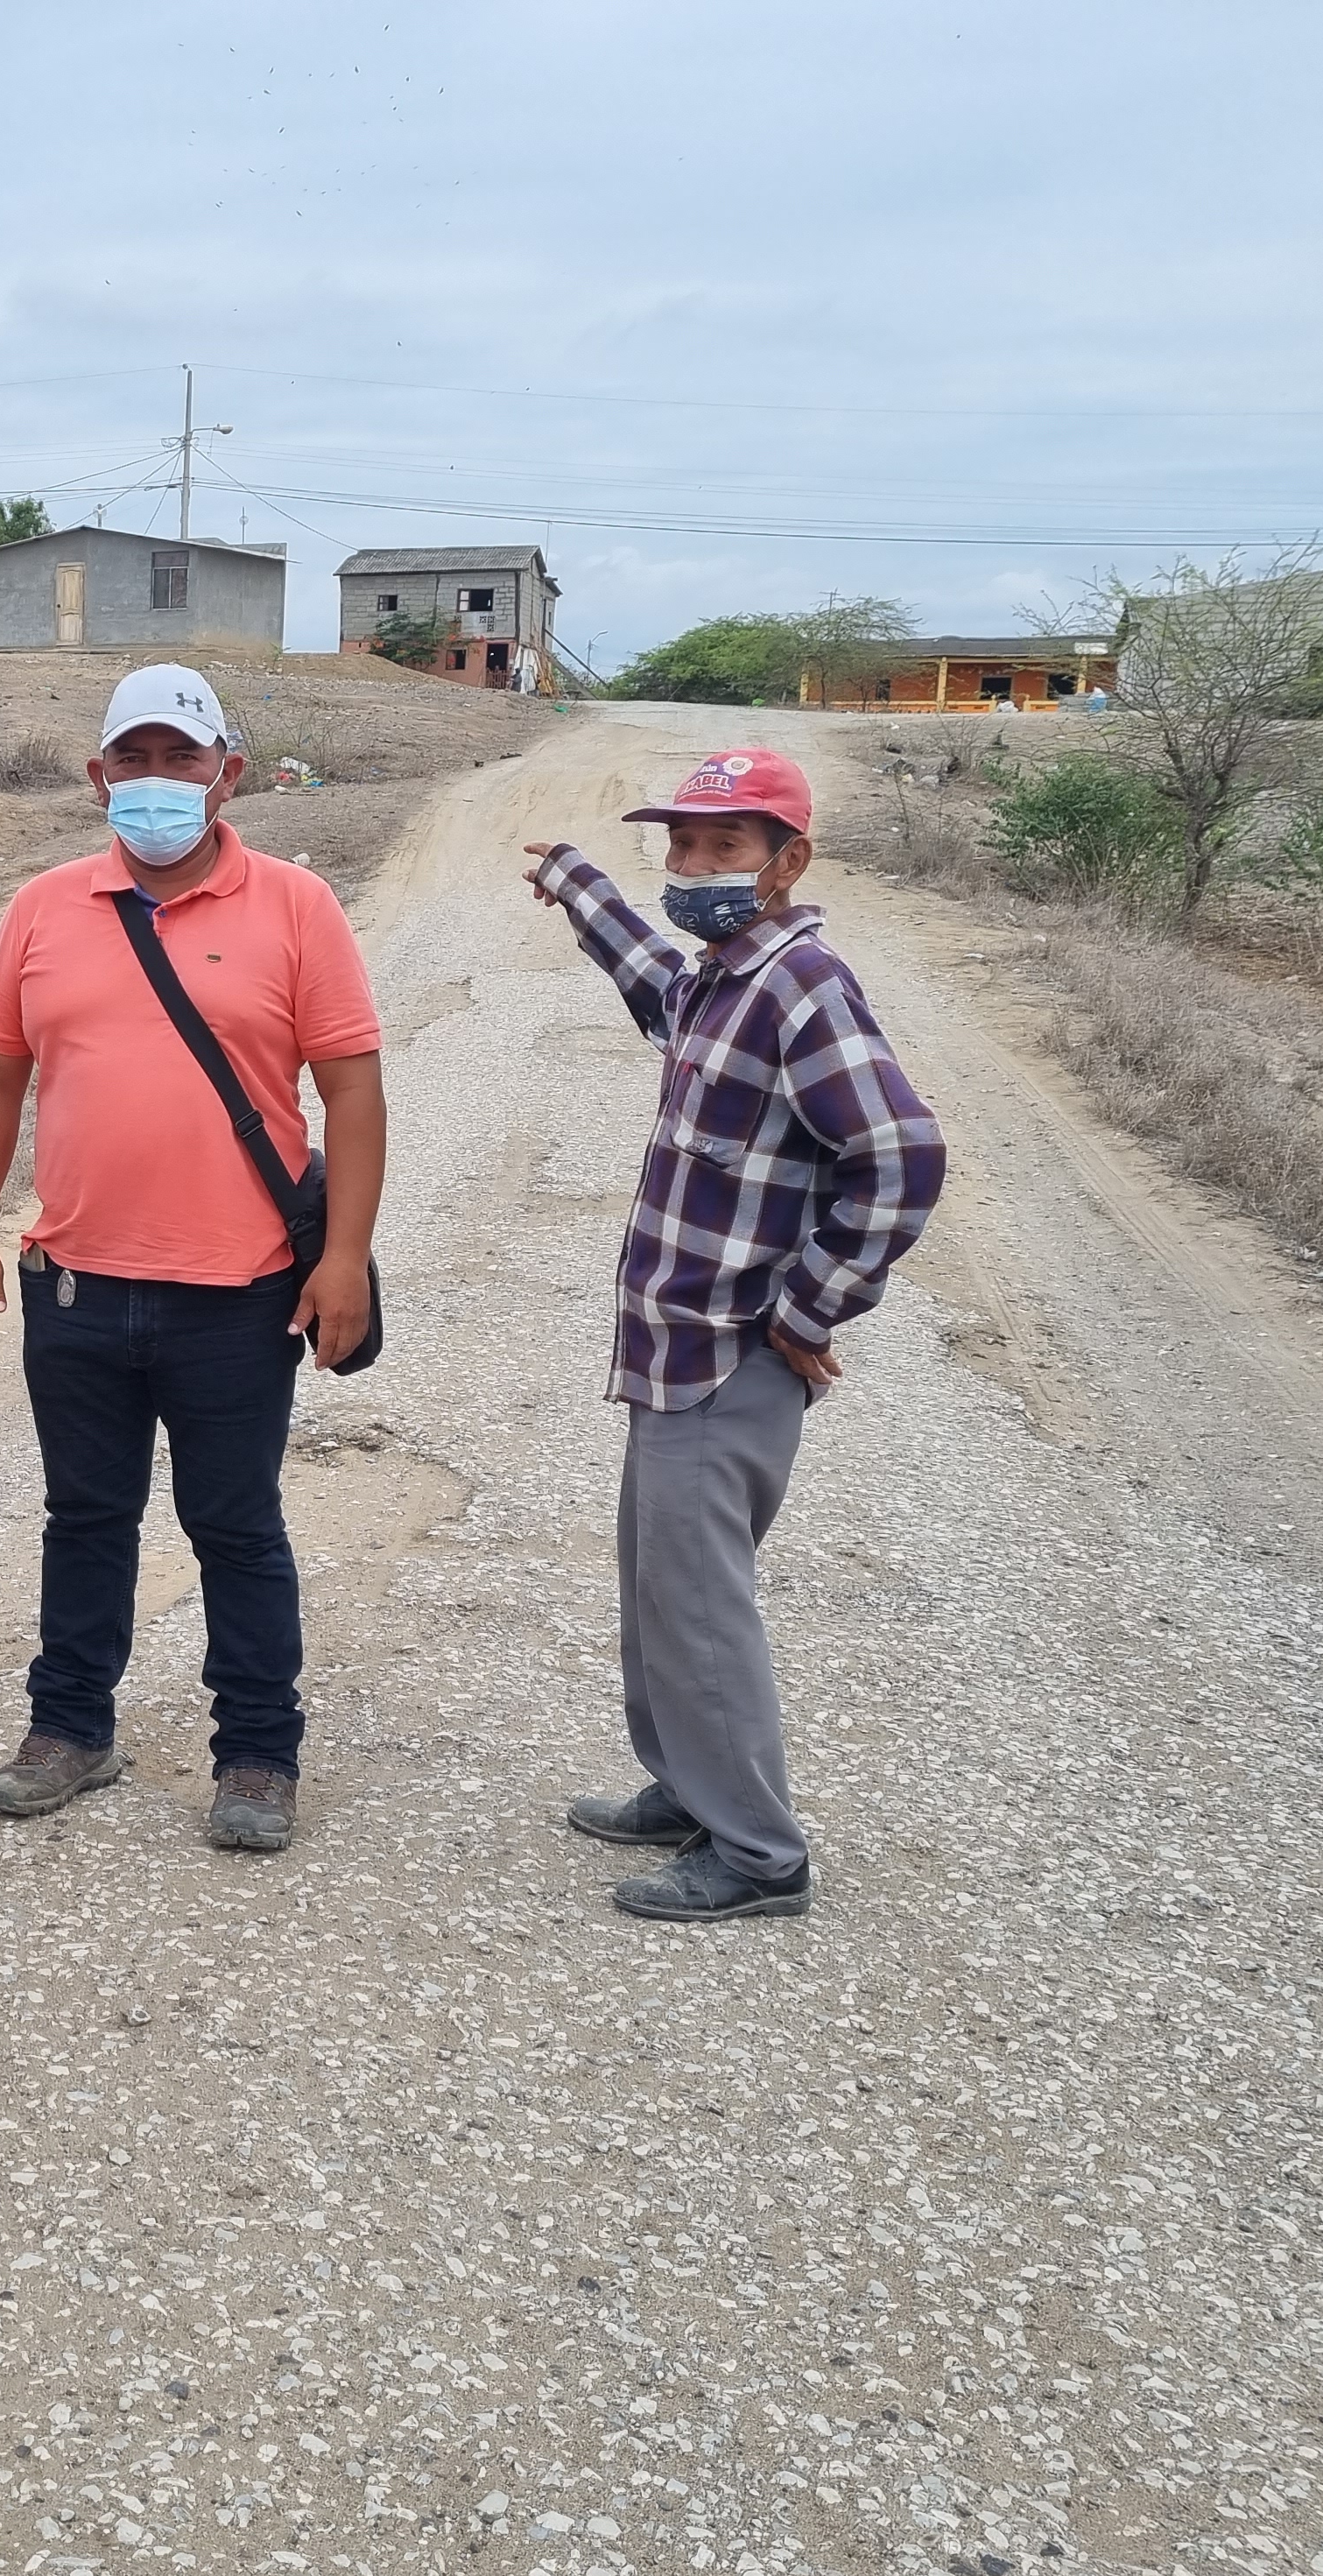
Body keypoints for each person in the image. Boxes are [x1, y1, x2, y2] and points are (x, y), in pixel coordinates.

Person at [0, 665, 385, 1854]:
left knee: (235, 1526)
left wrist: (344, 1257)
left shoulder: (297, 906)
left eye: (180, 759)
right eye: (132, 760)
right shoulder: (43, 907)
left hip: (240, 1292)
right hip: (76, 1284)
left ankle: (257, 1754)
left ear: (226, 774)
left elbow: (351, 1092)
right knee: (85, 1517)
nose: (156, 781)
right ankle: (70, 1728)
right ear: (99, 778)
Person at [523, 747, 946, 1921]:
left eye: (725, 846)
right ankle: (688, 1789)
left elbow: (902, 1158)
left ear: (787, 861)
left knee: (702, 1609)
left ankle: (758, 1855)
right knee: (662, 1591)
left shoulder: (801, 984)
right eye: (682, 844)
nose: (694, 865)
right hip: (675, 1352)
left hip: (730, 1357)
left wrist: (808, 1308)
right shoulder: (723, 979)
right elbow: (655, 983)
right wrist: (581, 887)